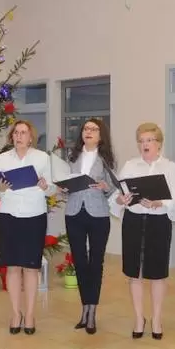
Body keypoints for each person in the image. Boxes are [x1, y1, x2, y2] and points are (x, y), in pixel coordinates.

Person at [109, 122, 175, 340]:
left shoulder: (169, 167)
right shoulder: (130, 166)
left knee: (157, 273)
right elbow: (117, 195)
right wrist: (121, 199)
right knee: (135, 273)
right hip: (133, 221)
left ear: (159, 143)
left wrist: (161, 203)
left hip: (158, 223)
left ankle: (157, 319)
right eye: (141, 141)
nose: (145, 144)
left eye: (149, 140)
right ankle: (138, 318)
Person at [0, 119, 55, 335]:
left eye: (23, 132)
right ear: (12, 137)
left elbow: (52, 188)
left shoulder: (42, 158)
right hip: (8, 215)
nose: (19, 136)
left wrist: (45, 186)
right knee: (12, 267)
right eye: (16, 133)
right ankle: (15, 313)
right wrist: (0, 189)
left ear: (30, 137)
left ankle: (29, 315)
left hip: (34, 215)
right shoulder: (3, 158)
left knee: (31, 267)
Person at [63, 118, 116, 334]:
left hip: (98, 214)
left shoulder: (106, 158)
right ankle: (84, 307)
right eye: (86, 128)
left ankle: (92, 310)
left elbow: (114, 187)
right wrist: (64, 187)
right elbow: (65, 182)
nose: (89, 132)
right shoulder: (72, 156)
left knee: (96, 263)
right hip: (74, 212)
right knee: (79, 262)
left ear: (101, 135)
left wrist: (105, 186)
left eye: (94, 129)